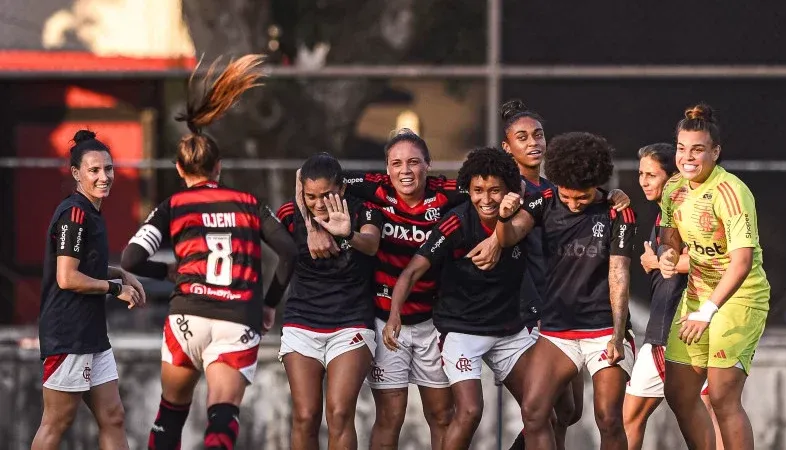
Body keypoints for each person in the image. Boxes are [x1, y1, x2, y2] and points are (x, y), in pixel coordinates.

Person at [120, 54, 298, 450]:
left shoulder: (173, 205)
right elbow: (289, 252)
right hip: (238, 317)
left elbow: (129, 259)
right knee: (222, 416)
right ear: (219, 167)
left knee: (170, 415)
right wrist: (269, 304)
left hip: (188, 317)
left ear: (181, 171)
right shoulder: (249, 203)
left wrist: (167, 272)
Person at [300, 129, 502, 449]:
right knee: (390, 417)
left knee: (441, 415)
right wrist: (313, 229)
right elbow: (304, 177)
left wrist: (498, 237)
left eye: (413, 162)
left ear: (428, 165)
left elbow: (497, 190)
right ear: (386, 167)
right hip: (385, 321)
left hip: (432, 321)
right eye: (396, 163)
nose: (404, 171)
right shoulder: (370, 187)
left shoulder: (449, 191)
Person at [500, 100, 632, 450]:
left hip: (603, 329)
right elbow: (509, 236)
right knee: (535, 412)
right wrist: (504, 217)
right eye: (567, 196)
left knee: (607, 417)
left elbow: (618, 274)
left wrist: (618, 336)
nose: (574, 203)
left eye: (583, 198)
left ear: (597, 185)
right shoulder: (543, 201)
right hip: (558, 330)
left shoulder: (618, 211)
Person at [384, 147, 536, 449]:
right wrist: (394, 314)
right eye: (478, 190)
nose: (486, 199)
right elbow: (412, 271)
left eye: (495, 190)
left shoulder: (525, 216)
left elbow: (551, 194)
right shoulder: (456, 223)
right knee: (469, 411)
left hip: (509, 331)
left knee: (543, 410)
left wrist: (613, 195)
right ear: (468, 189)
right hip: (462, 331)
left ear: (509, 191)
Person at [658, 103, 769, 450]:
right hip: (697, 293)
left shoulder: (732, 192)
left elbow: (742, 262)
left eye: (698, 150)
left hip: (738, 297)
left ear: (715, 152)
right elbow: (669, 232)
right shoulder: (673, 187)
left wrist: (707, 311)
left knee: (721, 397)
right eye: (681, 148)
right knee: (678, 392)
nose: (687, 157)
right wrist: (670, 253)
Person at [32, 130, 146, 450]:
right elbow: (67, 277)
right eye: (94, 170)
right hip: (68, 334)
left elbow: (84, 267)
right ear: (76, 174)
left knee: (113, 416)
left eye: (108, 169)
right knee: (56, 422)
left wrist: (120, 272)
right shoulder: (75, 213)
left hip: (93, 334)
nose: (104, 176)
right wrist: (114, 288)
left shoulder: (93, 212)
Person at [276, 153, 382, 450]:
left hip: (351, 324)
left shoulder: (364, 211)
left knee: (339, 413)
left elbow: (371, 244)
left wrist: (346, 233)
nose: (319, 203)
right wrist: (311, 226)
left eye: (327, 195)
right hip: (302, 323)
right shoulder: (290, 214)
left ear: (343, 190)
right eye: (311, 196)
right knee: (306, 415)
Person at [622, 143, 689, 449]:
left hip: (673, 331)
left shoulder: (687, 212)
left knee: (630, 417)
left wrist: (659, 263)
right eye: (640, 174)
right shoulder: (665, 213)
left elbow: (714, 258)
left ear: (672, 176)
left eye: (652, 174)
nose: (644, 181)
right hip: (668, 328)